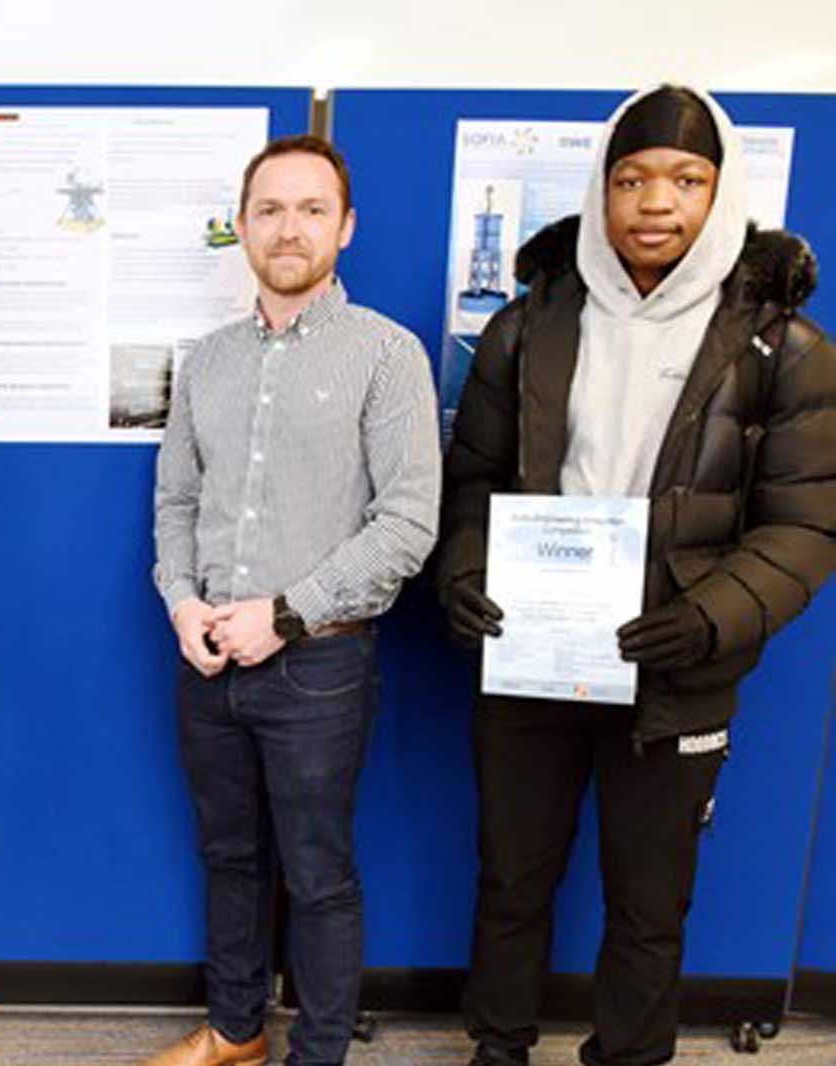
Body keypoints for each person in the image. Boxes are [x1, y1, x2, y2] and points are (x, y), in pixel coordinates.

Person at [437, 85, 836, 1066]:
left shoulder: (781, 347)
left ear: (721, 191)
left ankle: (628, 1053)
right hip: (533, 657)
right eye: (631, 178)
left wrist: (705, 620)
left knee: (650, 898)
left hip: (676, 672)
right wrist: (466, 573)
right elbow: (474, 487)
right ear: (601, 190)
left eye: (686, 179)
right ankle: (497, 1044)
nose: (655, 201)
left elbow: (803, 524)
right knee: (510, 876)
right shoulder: (525, 328)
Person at [146, 134, 440, 1066]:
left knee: (318, 876)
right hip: (207, 658)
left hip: (318, 665)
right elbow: (176, 501)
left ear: (346, 228)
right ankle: (235, 1033)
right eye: (269, 209)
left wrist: (284, 614)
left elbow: (407, 526)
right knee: (229, 860)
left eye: (313, 209)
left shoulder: (388, 356)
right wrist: (183, 605)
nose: (289, 227)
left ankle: (317, 1054)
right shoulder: (210, 362)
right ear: (241, 226)